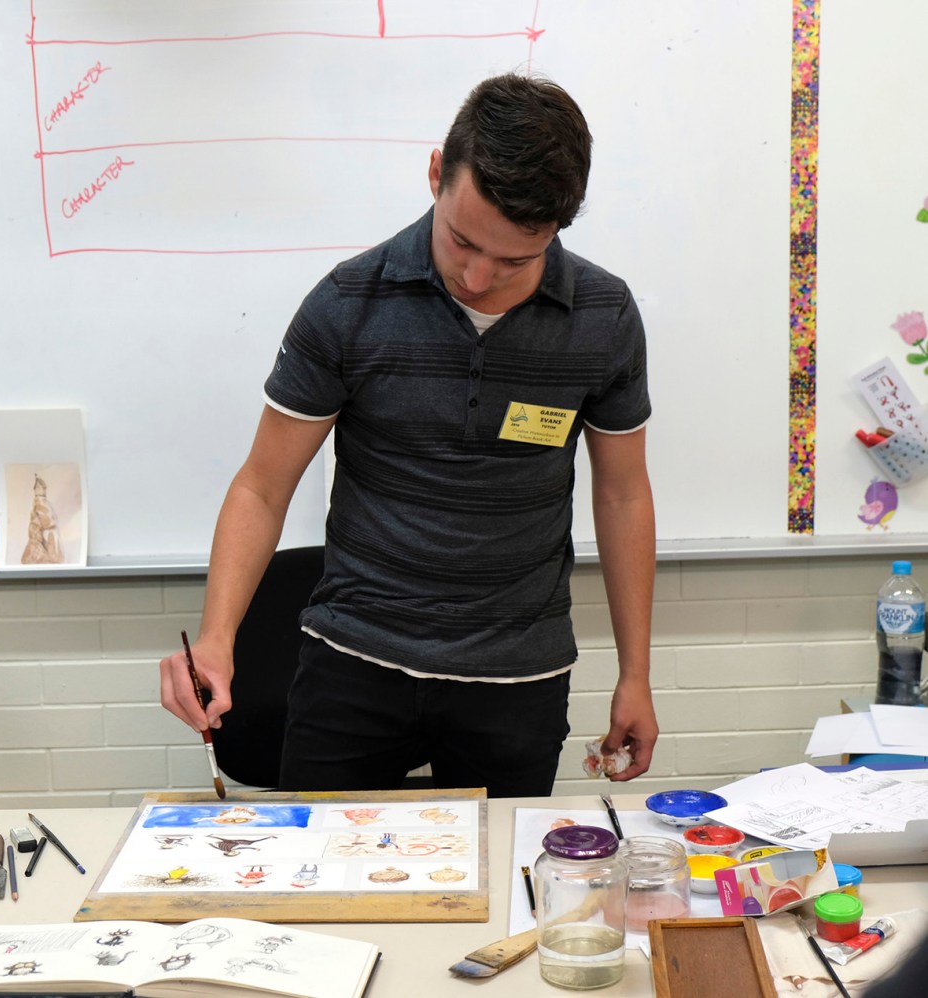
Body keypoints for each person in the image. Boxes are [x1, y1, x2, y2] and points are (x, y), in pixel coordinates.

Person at [160, 73, 658, 796]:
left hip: (517, 674)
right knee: (319, 862)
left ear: (558, 228)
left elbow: (623, 496)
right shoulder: (348, 303)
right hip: (355, 661)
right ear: (435, 173)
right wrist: (216, 637)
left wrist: (636, 674)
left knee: (500, 868)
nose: (478, 277)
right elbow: (262, 488)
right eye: (462, 241)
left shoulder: (603, 318)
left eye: (514, 260)